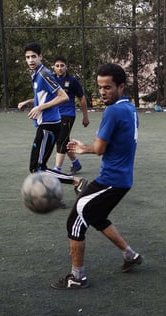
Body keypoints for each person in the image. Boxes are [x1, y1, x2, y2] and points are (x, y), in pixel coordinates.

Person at [51, 63, 143, 290]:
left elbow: (100, 148)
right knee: (96, 217)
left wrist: (84, 149)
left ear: (121, 86)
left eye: (108, 87)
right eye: (100, 87)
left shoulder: (113, 111)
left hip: (111, 180)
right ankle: (130, 255)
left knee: (75, 221)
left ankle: (77, 277)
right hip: (121, 180)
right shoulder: (129, 108)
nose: (102, 92)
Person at [17, 43, 87, 195]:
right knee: (38, 167)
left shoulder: (43, 73)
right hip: (46, 124)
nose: (30, 60)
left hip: (49, 126)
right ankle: (54, 193)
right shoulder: (36, 73)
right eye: (27, 57)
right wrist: (29, 102)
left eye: (33, 57)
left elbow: (63, 96)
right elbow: (44, 96)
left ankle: (77, 181)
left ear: (40, 57)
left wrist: (39, 108)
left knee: (37, 168)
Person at [51, 55, 90, 175]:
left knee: (60, 141)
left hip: (68, 115)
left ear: (66, 67)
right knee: (63, 139)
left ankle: (57, 169)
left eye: (62, 65)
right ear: (53, 67)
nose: (60, 68)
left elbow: (82, 99)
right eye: (57, 66)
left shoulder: (72, 81)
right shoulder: (51, 79)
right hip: (55, 115)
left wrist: (85, 117)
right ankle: (75, 163)